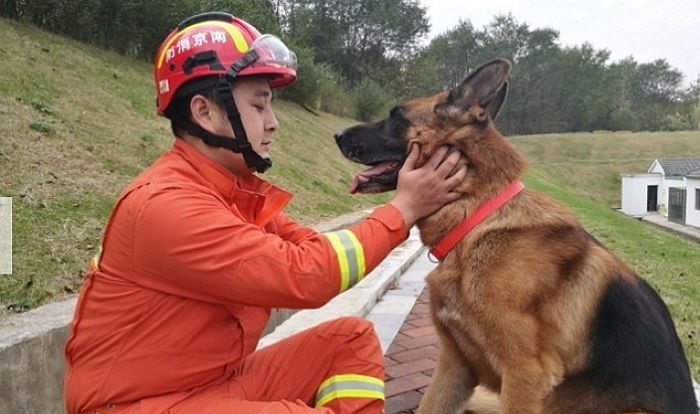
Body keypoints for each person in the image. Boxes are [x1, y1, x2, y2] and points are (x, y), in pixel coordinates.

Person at [63, 12, 467, 414]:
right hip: (137, 404)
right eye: (259, 106)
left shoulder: (231, 190)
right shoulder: (166, 204)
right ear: (204, 113)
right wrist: (406, 208)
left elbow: (315, 252)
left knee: (349, 340)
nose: (273, 123)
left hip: (210, 385)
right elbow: (307, 276)